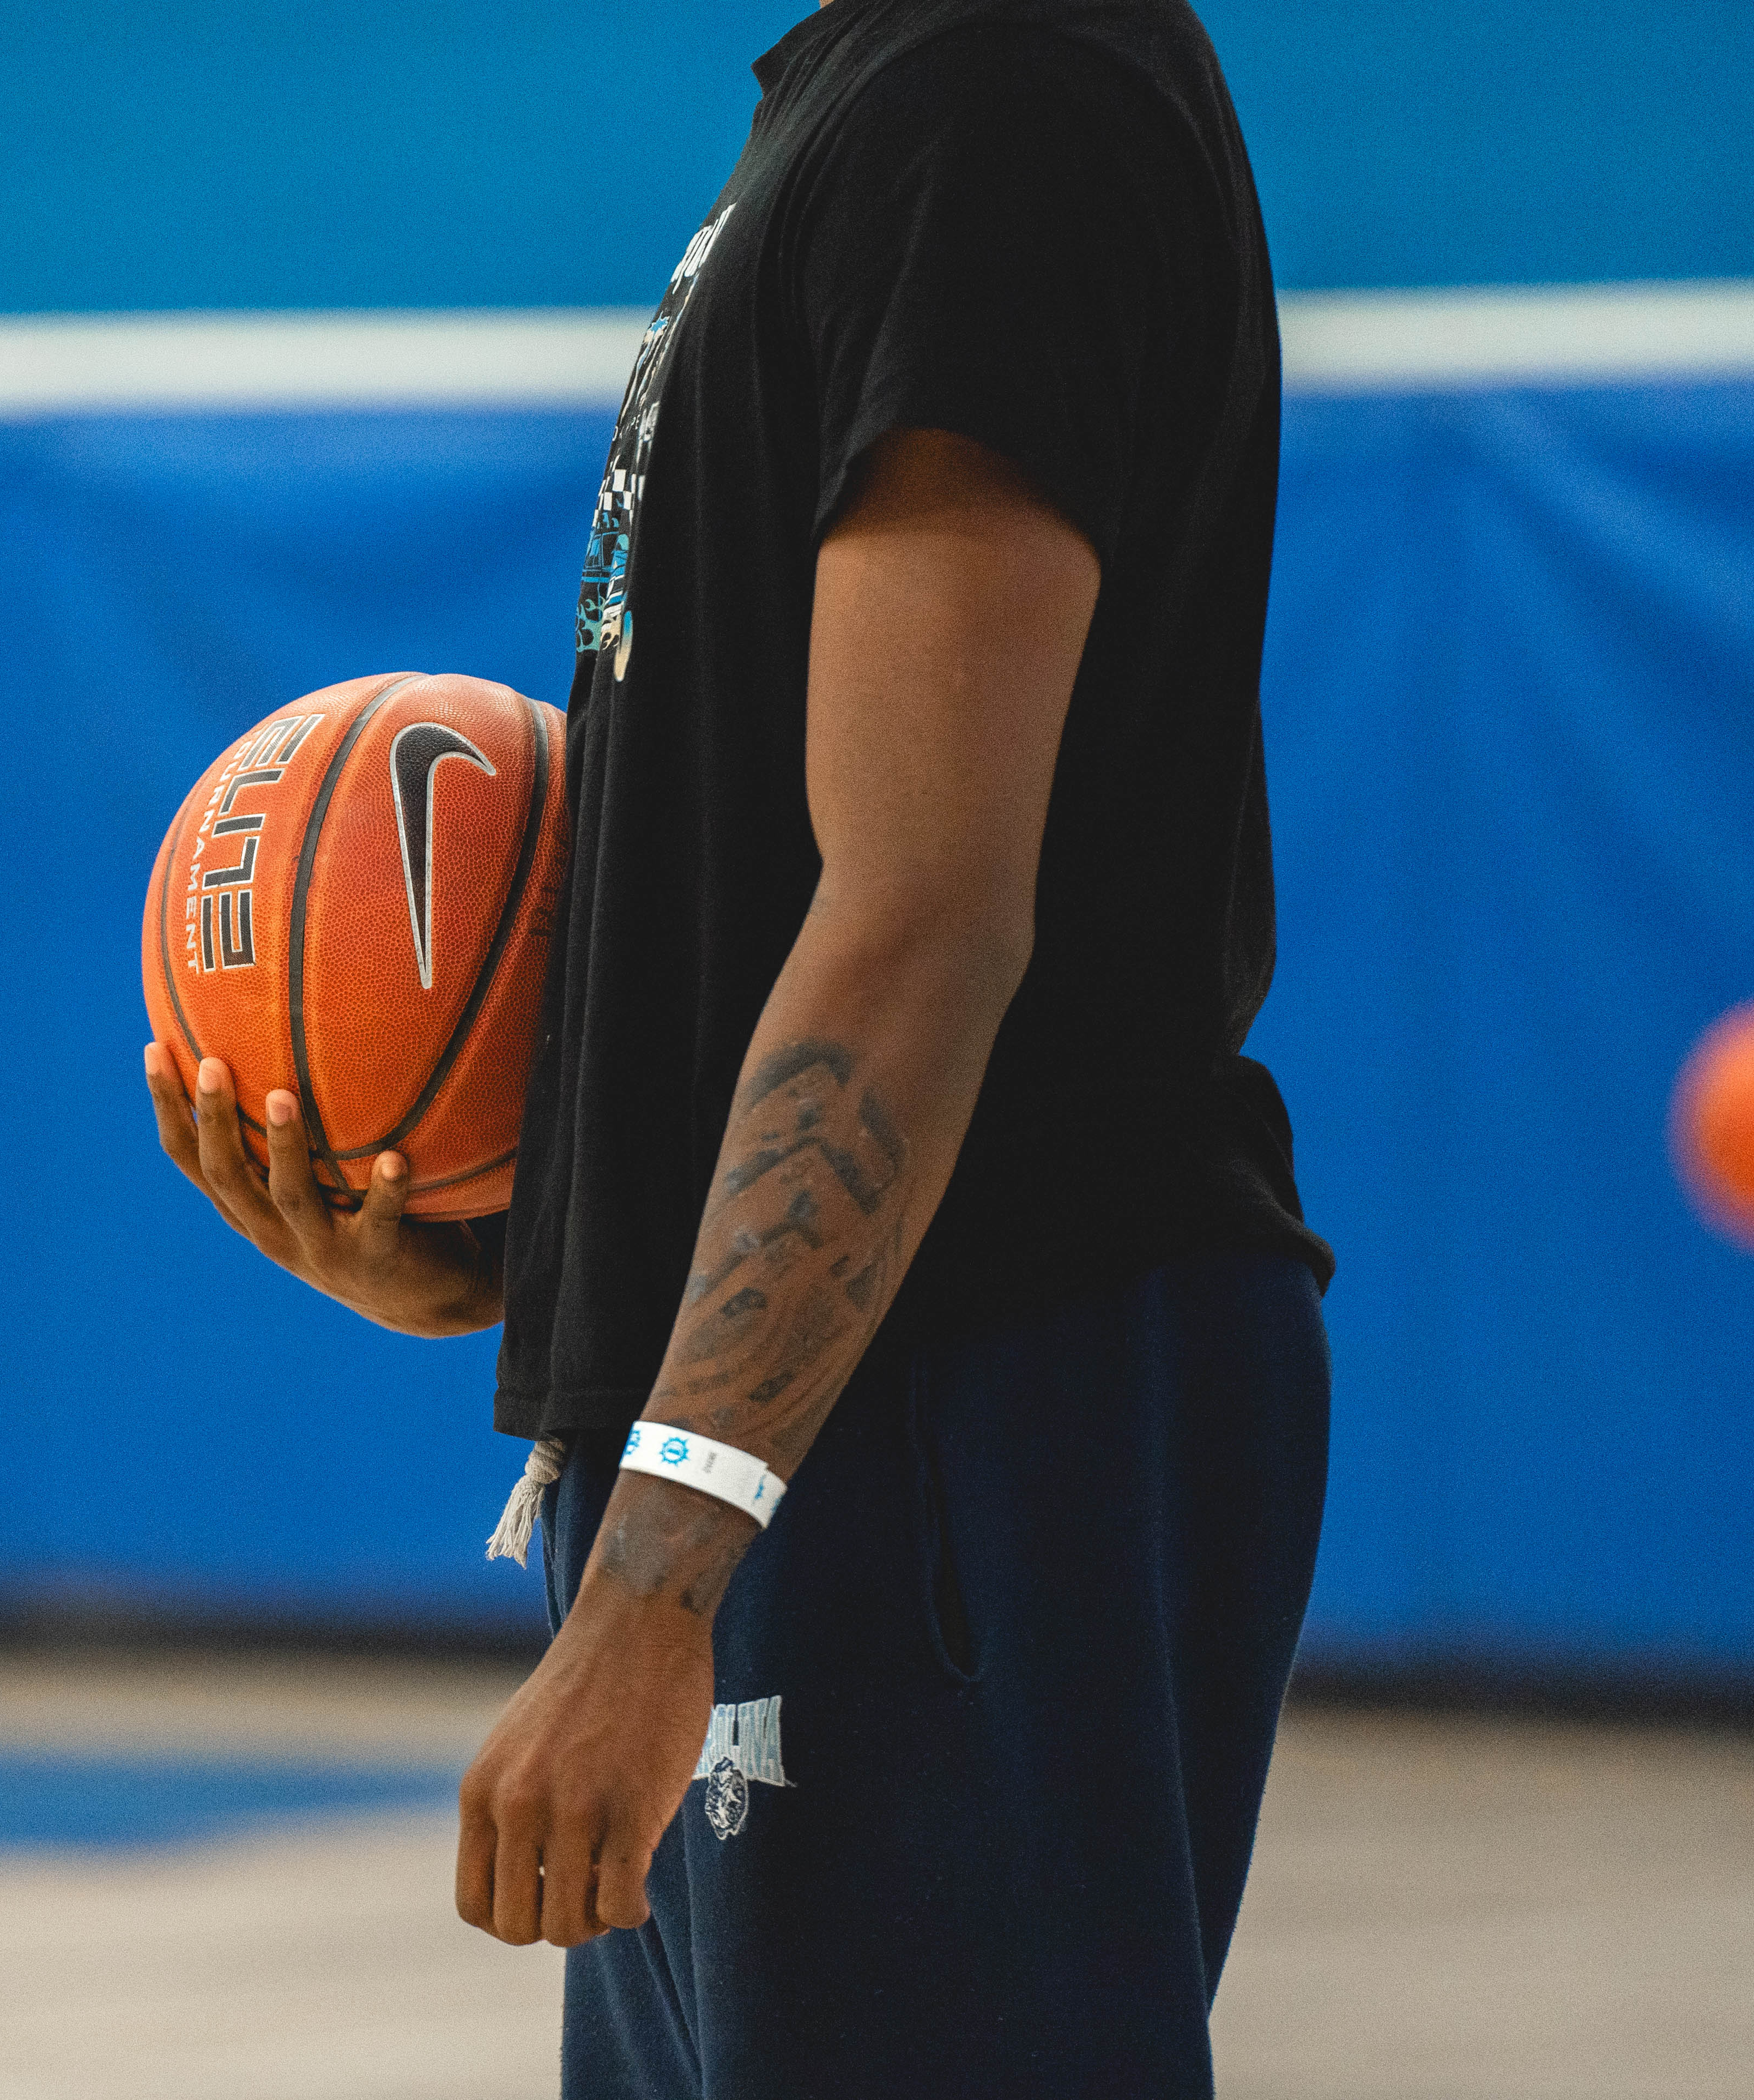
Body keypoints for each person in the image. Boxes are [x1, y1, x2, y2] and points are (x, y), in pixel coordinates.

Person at [146, 0, 1333, 2090]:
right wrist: (516, 1274)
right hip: (825, 1440)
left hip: (941, 1408)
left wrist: (654, 1582)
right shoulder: (869, 99)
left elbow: (923, 917)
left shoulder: (1000, 84)